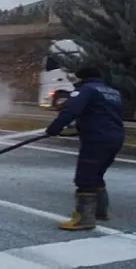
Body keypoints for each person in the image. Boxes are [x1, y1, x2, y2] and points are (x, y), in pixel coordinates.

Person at [45, 66, 124, 231]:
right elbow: (102, 113)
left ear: (81, 78)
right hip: (115, 137)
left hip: (96, 139)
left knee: (85, 178)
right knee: (97, 174)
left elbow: (70, 110)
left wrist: (54, 128)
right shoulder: (111, 92)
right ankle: (100, 212)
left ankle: (84, 219)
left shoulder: (86, 90)